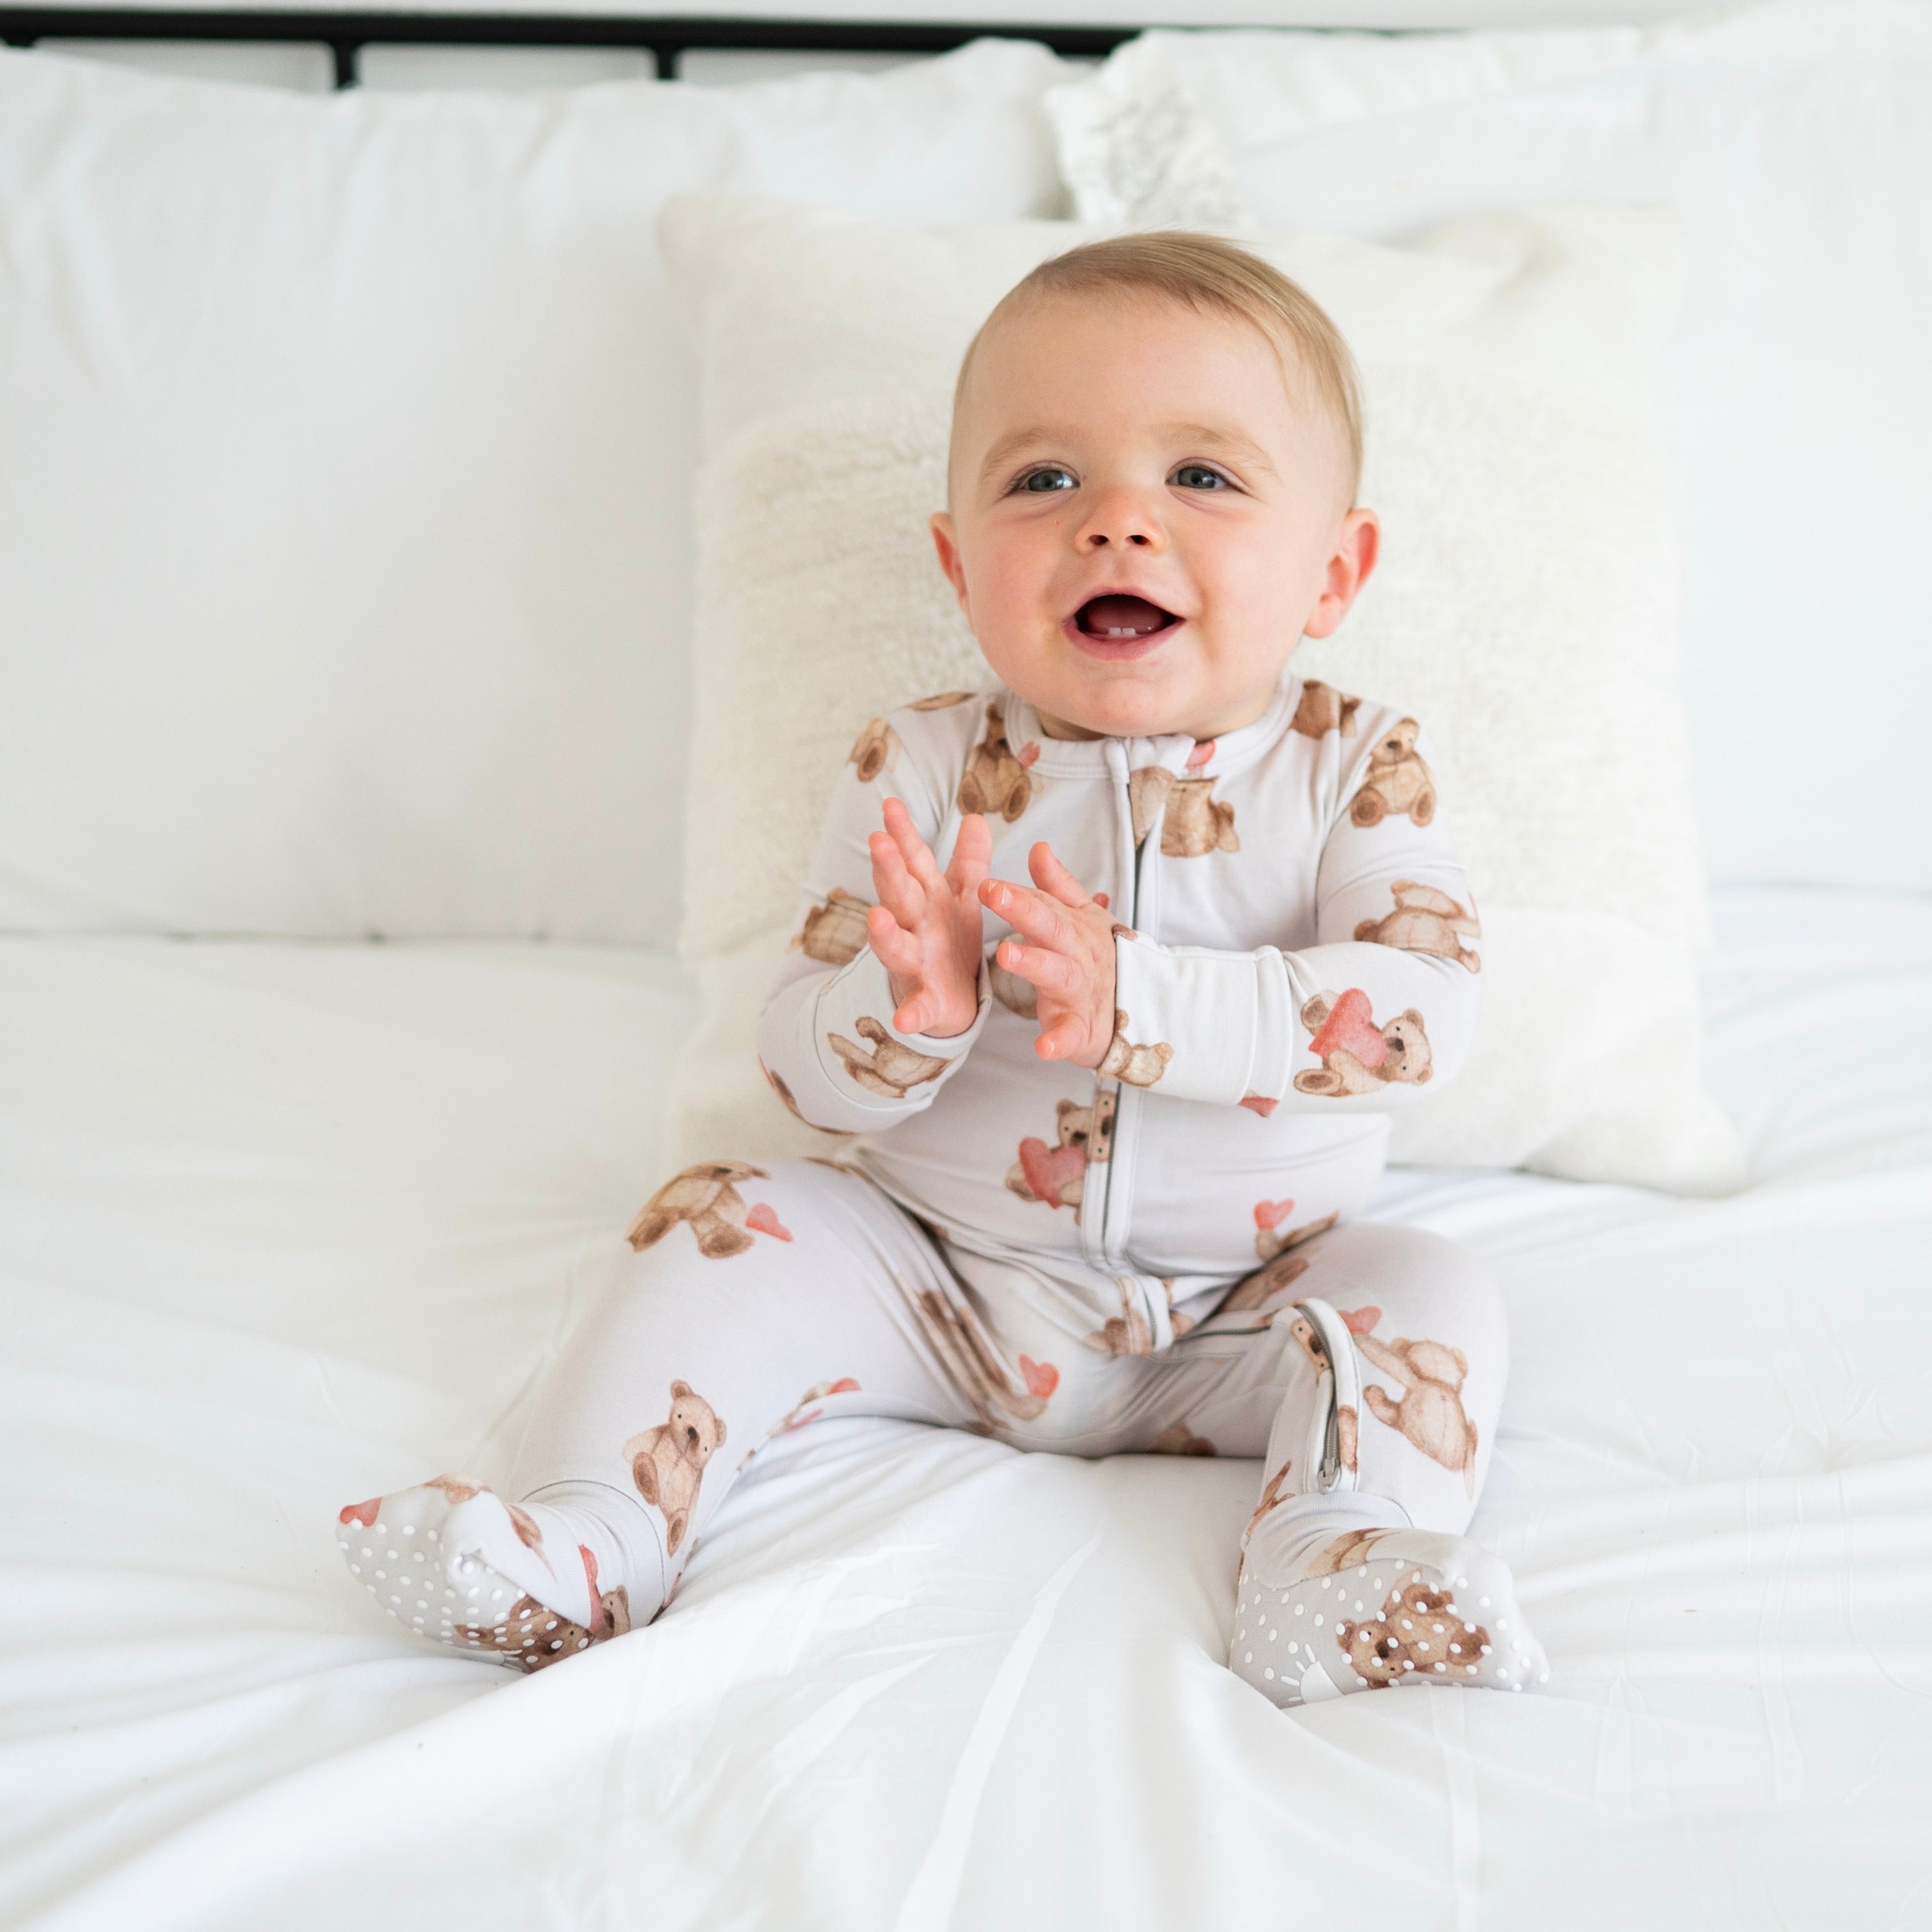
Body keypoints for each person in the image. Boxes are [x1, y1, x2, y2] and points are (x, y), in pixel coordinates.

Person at [336, 232, 1547, 1706]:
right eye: (1045, 478)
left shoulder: (1358, 765)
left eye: (1201, 476)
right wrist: (907, 1017)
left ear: (1333, 573)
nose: (1117, 521)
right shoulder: (918, 763)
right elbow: (799, 1059)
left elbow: (1420, 1020)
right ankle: (591, 1542)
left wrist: (1146, 1003)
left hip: (1244, 1306)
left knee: (1431, 1290)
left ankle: (1332, 1559)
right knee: (718, 1216)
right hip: (938, 1284)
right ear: (959, 563)